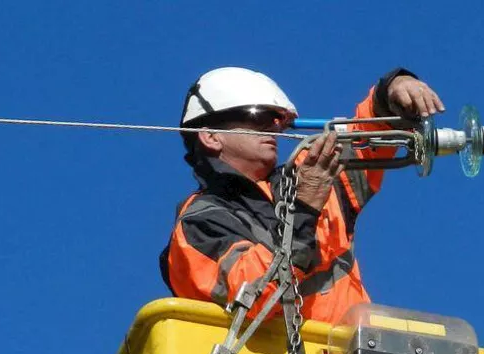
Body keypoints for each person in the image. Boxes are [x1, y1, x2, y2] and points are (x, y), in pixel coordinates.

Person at [160, 67, 445, 324]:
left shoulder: (310, 175)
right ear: (210, 136)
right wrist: (304, 209)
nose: (273, 127)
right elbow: (250, 293)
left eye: (276, 119)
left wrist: (392, 91)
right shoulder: (199, 222)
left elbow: (364, 137)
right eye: (257, 117)